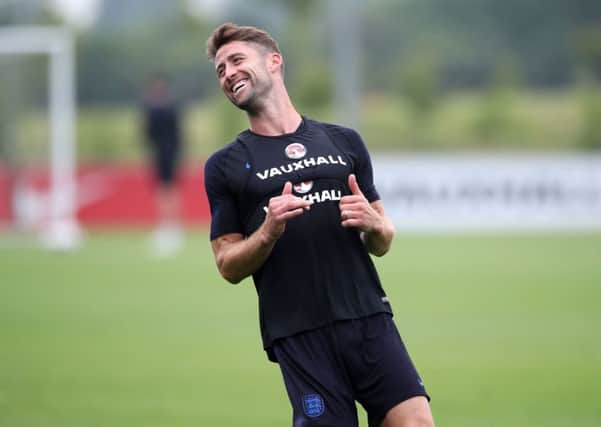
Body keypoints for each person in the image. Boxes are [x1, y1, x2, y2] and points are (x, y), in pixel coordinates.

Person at [204, 23, 435, 427]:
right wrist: (268, 231)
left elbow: (383, 239)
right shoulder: (224, 166)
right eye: (221, 69)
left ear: (273, 62)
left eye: (236, 60)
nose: (228, 74)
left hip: (367, 317)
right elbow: (227, 264)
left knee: (415, 422)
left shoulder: (343, 141)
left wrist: (374, 225)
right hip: (299, 332)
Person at [141, 74, 184, 256]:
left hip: (168, 154)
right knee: (163, 189)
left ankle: (171, 225)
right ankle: (166, 224)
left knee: (168, 189)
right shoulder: (155, 109)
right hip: (160, 154)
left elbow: (176, 134)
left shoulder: (165, 109)